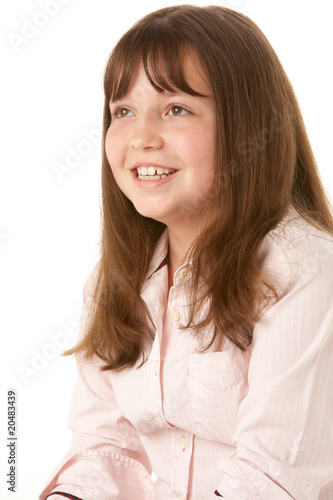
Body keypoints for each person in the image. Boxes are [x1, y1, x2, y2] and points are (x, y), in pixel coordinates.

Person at [39, 4, 333, 499]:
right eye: (123, 111)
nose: (141, 138)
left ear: (247, 126)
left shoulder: (304, 270)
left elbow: (271, 479)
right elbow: (106, 448)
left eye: (176, 109)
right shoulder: (116, 281)